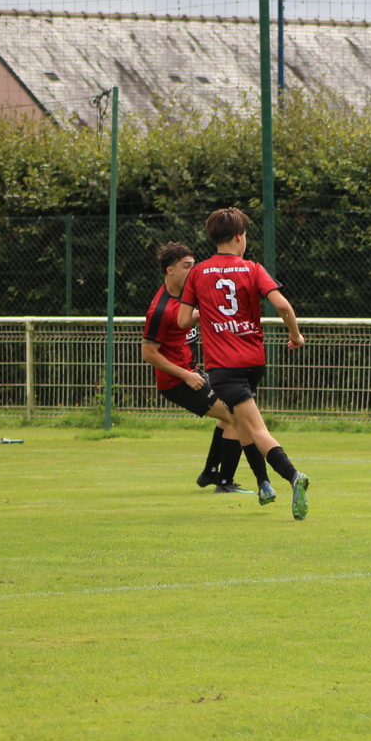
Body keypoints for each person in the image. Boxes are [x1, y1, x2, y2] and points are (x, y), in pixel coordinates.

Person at [176, 207, 312, 520]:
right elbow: (283, 305)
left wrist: (208, 311)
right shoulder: (253, 269)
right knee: (240, 422)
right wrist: (296, 335)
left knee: (255, 428)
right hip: (254, 362)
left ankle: (293, 476)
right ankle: (263, 484)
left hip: (224, 368)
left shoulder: (198, 273)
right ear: (239, 237)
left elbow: (183, 320)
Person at [141, 241, 252, 494]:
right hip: (178, 381)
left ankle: (211, 473)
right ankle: (224, 483)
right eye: (186, 266)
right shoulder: (159, 310)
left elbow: (192, 317)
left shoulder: (185, 296)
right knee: (237, 417)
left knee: (231, 413)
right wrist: (186, 375)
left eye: (193, 265)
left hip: (193, 372)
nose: (192, 271)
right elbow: (148, 353)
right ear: (170, 270)